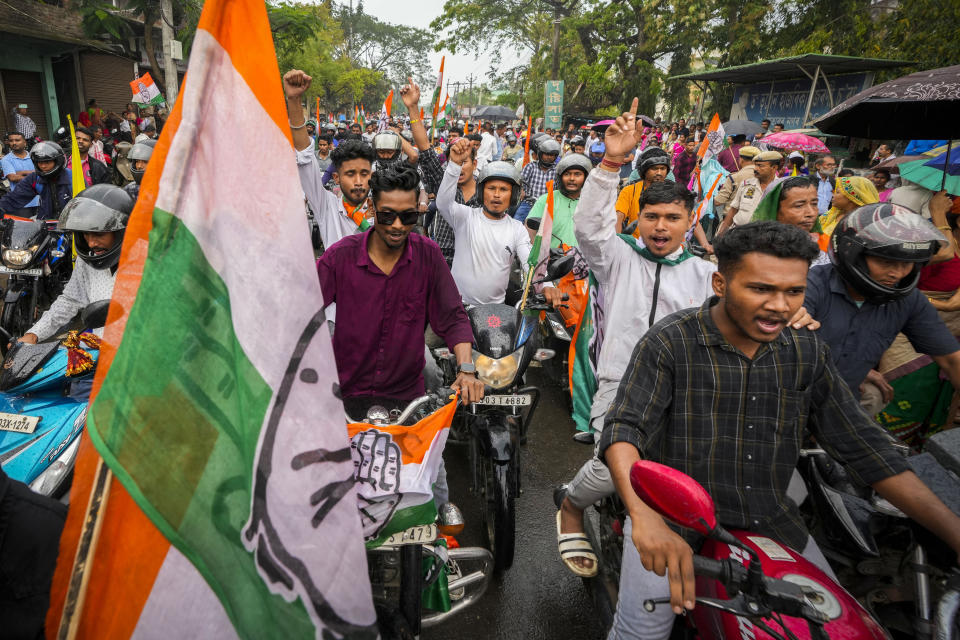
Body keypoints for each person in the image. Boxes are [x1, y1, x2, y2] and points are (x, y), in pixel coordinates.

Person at [601, 220, 960, 639]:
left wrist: (952, 531)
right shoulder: (671, 341)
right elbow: (624, 430)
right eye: (760, 289)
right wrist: (645, 518)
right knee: (639, 633)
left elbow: (865, 449)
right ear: (720, 282)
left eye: (793, 292)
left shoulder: (806, 350)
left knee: (847, 625)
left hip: (771, 521)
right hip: (671, 522)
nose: (779, 305)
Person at [805, 201, 960, 416]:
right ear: (853, 253)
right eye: (886, 262)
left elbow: (952, 360)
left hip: (839, 408)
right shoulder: (810, 284)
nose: (897, 274)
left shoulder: (909, 299)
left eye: (906, 264)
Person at [19, 184, 133, 345]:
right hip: (99, 351)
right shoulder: (88, 260)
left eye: (99, 234)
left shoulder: (151, 264)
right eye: (86, 235)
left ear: (122, 232)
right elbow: (70, 300)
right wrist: (34, 333)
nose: (92, 243)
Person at [284, 69, 376, 257]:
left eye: (364, 174)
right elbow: (304, 157)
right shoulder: (328, 206)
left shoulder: (384, 210)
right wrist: (294, 100)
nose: (358, 181)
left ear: (372, 176)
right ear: (336, 177)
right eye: (350, 174)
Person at [438, 138, 532, 306]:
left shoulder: (517, 229)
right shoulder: (466, 217)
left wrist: (545, 285)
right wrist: (454, 165)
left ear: (513, 195)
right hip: (458, 307)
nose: (496, 195)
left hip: (496, 313)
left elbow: (529, 262)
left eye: (503, 190)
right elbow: (443, 203)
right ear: (482, 192)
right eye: (491, 188)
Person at [400, 78, 472, 266]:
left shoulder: (487, 191)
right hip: (440, 259)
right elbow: (424, 148)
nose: (459, 168)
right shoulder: (444, 181)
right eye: (454, 163)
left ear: (475, 163)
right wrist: (413, 108)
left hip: (472, 261)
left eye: (464, 162)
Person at [750, 176, 830, 265]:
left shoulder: (826, 245)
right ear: (774, 209)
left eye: (814, 204)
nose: (811, 213)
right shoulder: (752, 249)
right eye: (799, 206)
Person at [525, 153, 591, 250]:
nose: (572, 178)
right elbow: (529, 231)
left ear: (585, 178)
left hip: (585, 261)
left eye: (577, 174)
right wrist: (540, 256)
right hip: (551, 260)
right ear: (560, 177)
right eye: (567, 174)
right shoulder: (546, 199)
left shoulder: (592, 203)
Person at [0, 141, 72, 220]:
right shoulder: (34, 178)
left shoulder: (72, 177)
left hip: (72, 224)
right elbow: (14, 198)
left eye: (47, 162)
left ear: (58, 160)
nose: (43, 166)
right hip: (46, 224)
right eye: (40, 162)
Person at [716, 149, 782, 234]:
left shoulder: (780, 187)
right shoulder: (746, 184)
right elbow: (733, 210)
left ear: (774, 167)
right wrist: (721, 234)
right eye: (755, 165)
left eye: (760, 166)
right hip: (739, 234)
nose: (756, 169)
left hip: (765, 237)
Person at [616, 147, 670, 234]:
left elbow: (691, 220)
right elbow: (618, 219)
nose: (659, 173)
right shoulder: (630, 190)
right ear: (644, 170)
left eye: (663, 168)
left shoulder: (673, 191)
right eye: (655, 169)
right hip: (635, 245)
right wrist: (616, 241)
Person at [516, 138, 559, 223]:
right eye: (546, 154)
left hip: (548, 206)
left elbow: (559, 189)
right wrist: (521, 190)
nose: (549, 157)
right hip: (528, 203)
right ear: (540, 154)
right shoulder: (531, 166)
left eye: (552, 155)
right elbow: (520, 181)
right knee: (517, 222)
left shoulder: (557, 170)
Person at [713, 145, 760, 218]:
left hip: (732, 219)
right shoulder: (766, 176)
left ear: (741, 160)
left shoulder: (734, 177)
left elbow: (718, 202)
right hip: (756, 217)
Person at [0, 132, 39, 216]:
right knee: (24, 228)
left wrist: (21, 173)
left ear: (25, 142)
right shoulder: (6, 159)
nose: (14, 143)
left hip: (39, 201)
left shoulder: (35, 156)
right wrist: (36, 174)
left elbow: (43, 172)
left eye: (17, 140)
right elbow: (13, 177)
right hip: (20, 203)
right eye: (11, 141)